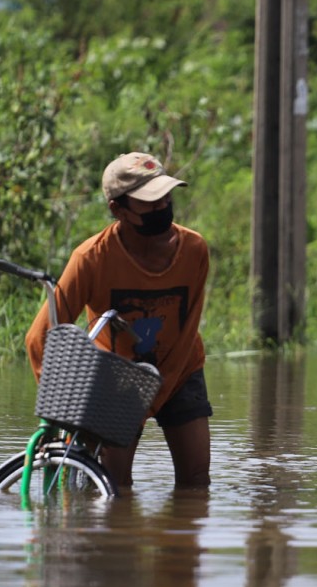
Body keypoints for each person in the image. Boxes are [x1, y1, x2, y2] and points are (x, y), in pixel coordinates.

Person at [25, 151, 212, 489]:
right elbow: (40, 338)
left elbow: (187, 333)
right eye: (150, 203)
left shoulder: (194, 250)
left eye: (165, 198)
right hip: (116, 380)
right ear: (118, 209)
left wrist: (154, 394)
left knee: (197, 483)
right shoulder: (91, 259)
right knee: (113, 487)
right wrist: (67, 410)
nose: (162, 208)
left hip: (179, 368)